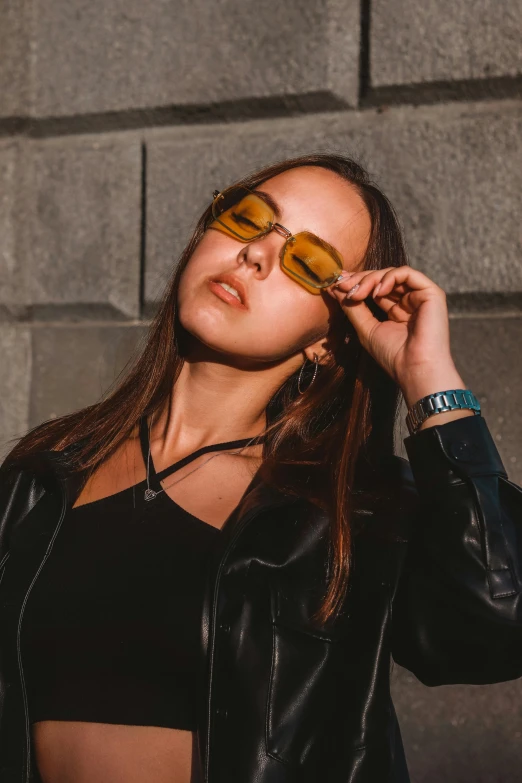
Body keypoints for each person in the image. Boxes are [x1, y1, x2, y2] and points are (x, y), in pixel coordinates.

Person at [0, 152, 520, 783]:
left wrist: (429, 382)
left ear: (329, 338)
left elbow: (495, 628)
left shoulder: (352, 514)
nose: (256, 256)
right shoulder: (44, 473)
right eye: (250, 220)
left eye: (309, 261)